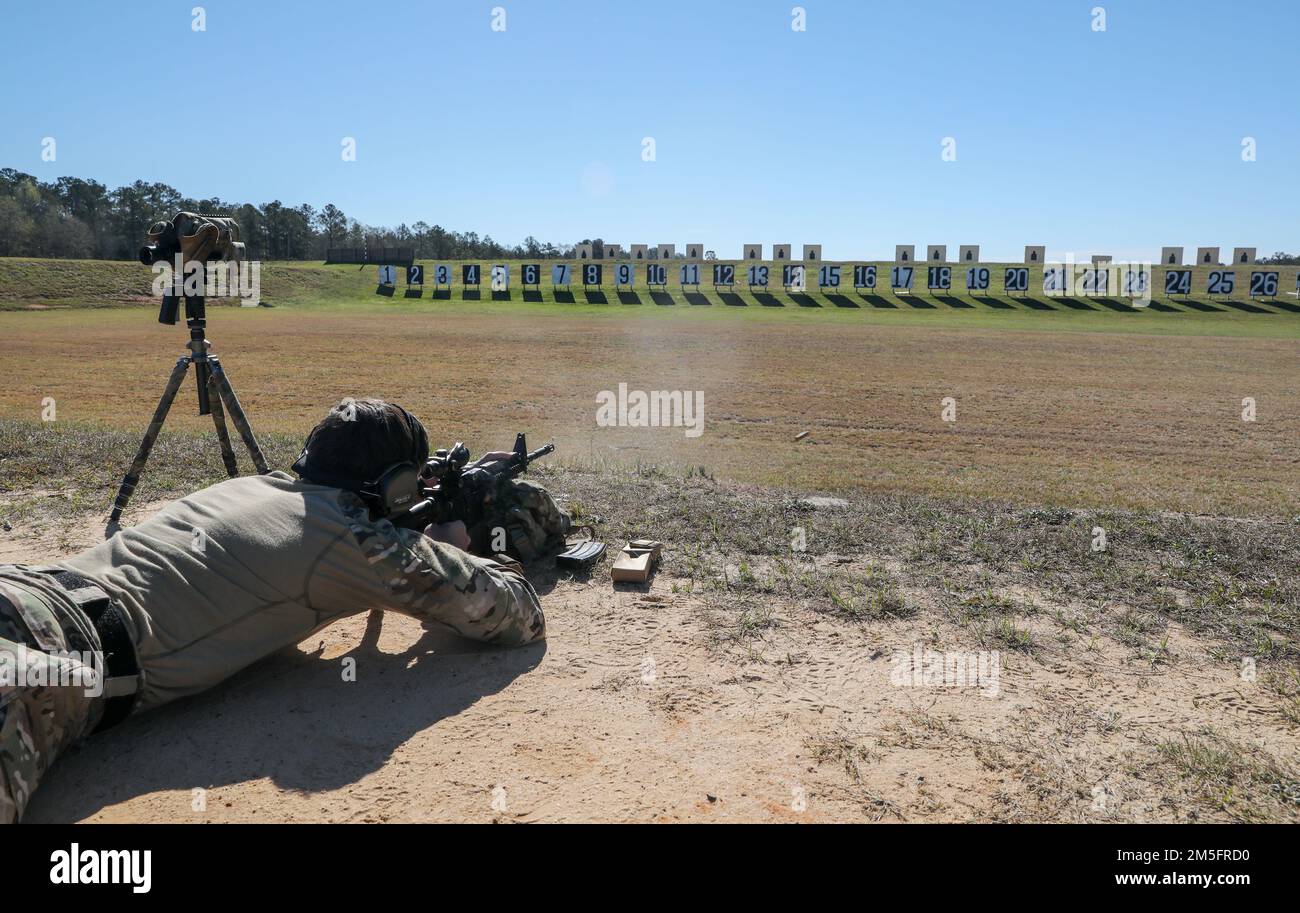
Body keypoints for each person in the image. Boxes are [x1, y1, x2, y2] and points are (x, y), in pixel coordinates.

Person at [0, 398, 569, 823]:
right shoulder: (358, 542)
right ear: (397, 486)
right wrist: (452, 546)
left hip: (25, 593)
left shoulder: (254, 487)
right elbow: (515, 616)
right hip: (52, 657)